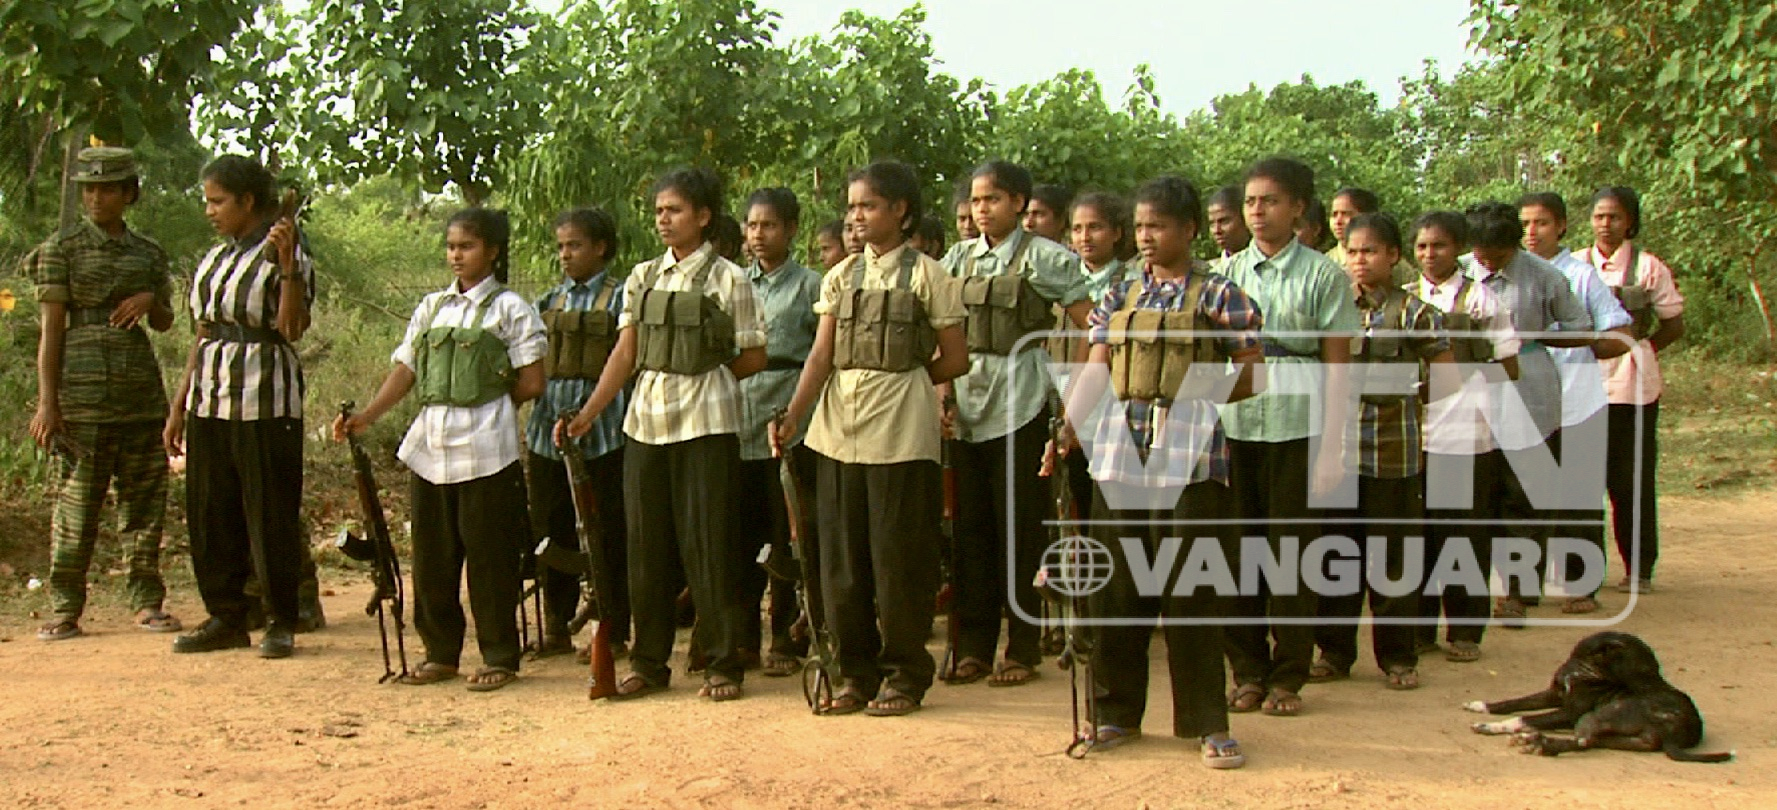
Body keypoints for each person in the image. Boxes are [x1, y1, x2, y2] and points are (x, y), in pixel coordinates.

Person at [1064, 175, 1264, 768]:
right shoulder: (1118, 295)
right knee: (1117, 589)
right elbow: (1097, 368)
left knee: (1191, 590)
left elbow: (1254, 371)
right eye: (1141, 226)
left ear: (1189, 229)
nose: (1147, 237)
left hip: (1193, 459)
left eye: (1158, 226)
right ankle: (1114, 714)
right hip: (1120, 455)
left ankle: (1207, 723)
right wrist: (1067, 428)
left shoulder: (1220, 294)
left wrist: (1195, 395)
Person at [564, 167, 768, 703]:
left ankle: (722, 662)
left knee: (711, 545)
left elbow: (753, 354)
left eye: (674, 210)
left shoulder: (731, 279)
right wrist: (590, 413)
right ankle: (649, 662)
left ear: (703, 216)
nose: (663, 220)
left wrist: (703, 377)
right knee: (646, 548)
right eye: (658, 211)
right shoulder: (644, 276)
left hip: (708, 426)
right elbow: (626, 351)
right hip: (646, 425)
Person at [776, 159, 968, 716]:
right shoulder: (840, 277)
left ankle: (904, 675)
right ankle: (853, 674)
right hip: (837, 433)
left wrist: (905, 380)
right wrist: (793, 416)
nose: (856, 217)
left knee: (898, 559)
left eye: (869, 206)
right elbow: (821, 356)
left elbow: (955, 358)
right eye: (852, 207)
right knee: (842, 563)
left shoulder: (930, 277)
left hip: (901, 437)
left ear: (900, 211)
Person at [335, 208, 545, 691]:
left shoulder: (511, 309)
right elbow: (406, 370)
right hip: (431, 447)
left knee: (490, 558)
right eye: (451, 246)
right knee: (432, 557)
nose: (456, 255)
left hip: (488, 449)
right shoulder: (432, 308)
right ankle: (440, 653)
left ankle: (499, 655)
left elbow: (532, 380)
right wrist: (368, 415)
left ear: (492, 251)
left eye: (466, 246)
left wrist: (488, 403)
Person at [939, 159, 1090, 687]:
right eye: (977, 201)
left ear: (1019, 204)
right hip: (967, 407)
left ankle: (1022, 647)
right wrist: (942, 392)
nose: (983, 210)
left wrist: (1074, 402)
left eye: (994, 199)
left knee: (1020, 530)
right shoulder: (956, 258)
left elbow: (1091, 327)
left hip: (1021, 403)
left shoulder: (1047, 258)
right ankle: (974, 647)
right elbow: (940, 329)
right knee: (971, 532)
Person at [1217, 156, 1358, 718]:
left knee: (1292, 555)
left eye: (1270, 201)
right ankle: (1247, 671)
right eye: (1250, 201)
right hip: (1235, 424)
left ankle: (1287, 675)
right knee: (1236, 553)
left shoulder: (1325, 276)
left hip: (1300, 425)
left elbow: (1339, 366)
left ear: (1298, 208)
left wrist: (1333, 449)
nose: (1258, 211)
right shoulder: (1224, 274)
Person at [27, 147, 180, 642]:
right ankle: (65, 608)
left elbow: (165, 321)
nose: (96, 198)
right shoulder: (61, 249)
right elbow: (51, 330)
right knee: (76, 508)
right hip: (81, 396)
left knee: (143, 506)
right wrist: (48, 403)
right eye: (89, 189)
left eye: (107, 189)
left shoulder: (148, 253)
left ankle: (147, 602)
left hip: (139, 396)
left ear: (128, 193)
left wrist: (150, 300)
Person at [164, 155, 313, 659]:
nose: (210, 211)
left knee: (270, 512)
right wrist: (180, 403)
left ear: (248, 202)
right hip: (210, 396)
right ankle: (225, 616)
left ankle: (280, 619)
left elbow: (291, 328)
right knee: (211, 511)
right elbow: (203, 332)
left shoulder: (285, 256)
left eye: (218, 201)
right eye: (207, 201)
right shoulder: (215, 258)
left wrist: (288, 268)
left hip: (265, 398)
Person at [1312, 213, 1453, 691]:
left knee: (1394, 560)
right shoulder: (1332, 309)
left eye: (1370, 251)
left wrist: (1406, 396)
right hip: (1338, 453)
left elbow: (1449, 377)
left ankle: (1398, 657)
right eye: (1352, 252)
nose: (1360, 261)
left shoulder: (1416, 313)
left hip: (1396, 454)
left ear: (1393, 256)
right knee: (1337, 556)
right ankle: (1334, 653)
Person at [1463, 202, 1596, 625]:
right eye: (1481, 253)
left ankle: (1519, 592)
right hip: (1472, 392)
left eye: (1497, 255)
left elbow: (1580, 326)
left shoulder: (1544, 276)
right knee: (1478, 496)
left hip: (1529, 390)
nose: (1487, 261)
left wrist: (1533, 337)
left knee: (1524, 496)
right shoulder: (1460, 272)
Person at [1407, 211, 1520, 663]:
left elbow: (1510, 366)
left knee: (1464, 535)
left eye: (1439, 245)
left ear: (1458, 249)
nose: (1429, 254)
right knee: (1417, 537)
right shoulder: (1404, 299)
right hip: (1410, 437)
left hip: (1466, 435)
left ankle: (1466, 629)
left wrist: (1461, 377)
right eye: (1421, 246)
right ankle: (1418, 629)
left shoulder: (1481, 300)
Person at [524, 207, 631, 660]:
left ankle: (613, 628)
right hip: (547, 433)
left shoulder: (623, 297)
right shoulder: (548, 302)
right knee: (551, 531)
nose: (565, 254)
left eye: (575, 245)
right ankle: (556, 625)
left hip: (606, 433)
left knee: (610, 533)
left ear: (600, 247)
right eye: (561, 246)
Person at [1519, 192, 1634, 613]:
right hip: (1526, 404)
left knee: (1578, 498)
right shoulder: (1510, 275)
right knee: (1525, 497)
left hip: (1576, 402)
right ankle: (1521, 586)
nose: (1532, 232)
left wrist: (1577, 344)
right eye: (1525, 224)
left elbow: (1620, 332)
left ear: (1562, 226)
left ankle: (1580, 585)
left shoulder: (1582, 277)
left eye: (1542, 223)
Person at [1579, 187, 1684, 593]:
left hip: (1632, 388)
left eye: (1615, 217)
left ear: (1630, 222)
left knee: (1632, 480)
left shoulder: (1648, 267)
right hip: (1583, 384)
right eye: (1599, 217)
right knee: (1583, 481)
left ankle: (1639, 568)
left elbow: (1673, 324)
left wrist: (1644, 349)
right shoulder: (1575, 265)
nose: (1606, 225)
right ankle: (1584, 571)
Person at [736, 187, 823, 676]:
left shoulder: (811, 286)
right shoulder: (734, 283)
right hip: (738, 418)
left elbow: (822, 356)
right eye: (752, 225)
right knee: (742, 533)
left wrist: (798, 413)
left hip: (792, 418)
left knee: (787, 532)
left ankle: (785, 637)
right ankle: (741, 637)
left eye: (769, 225)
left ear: (790, 229)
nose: (759, 235)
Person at [1325, 187, 1416, 287]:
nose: (1338, 221)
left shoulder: (1397, 266)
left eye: (1346, 214)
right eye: (1334, 215)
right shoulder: (1325, 263)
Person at [1206, 185, 1251, 266]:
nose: (1217, 230)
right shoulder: (1211, 269)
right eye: (1212, 223)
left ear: (1245, 219)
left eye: (1224, 221)